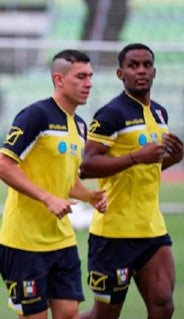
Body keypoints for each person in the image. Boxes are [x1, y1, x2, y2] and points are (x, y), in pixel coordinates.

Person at [0, 49, 107, 319]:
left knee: (68, 312)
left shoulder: (79, 125)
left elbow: (66, 180)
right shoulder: (35, 116)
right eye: (80, 76)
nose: (88, 82)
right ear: (59, 79)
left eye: (90, 76)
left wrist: (90, 197)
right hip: (24, 243)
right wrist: (47, 198)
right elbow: (2, 166)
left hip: (61, 240)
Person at [79, 43, 183, 319]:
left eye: (146, 65)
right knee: (105, 315)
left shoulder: (160, 114)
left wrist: (173, 158)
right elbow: (86, 166)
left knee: (163, 306)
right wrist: (136, 157)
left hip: (152, 229)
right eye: (133, 65)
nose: (141, 71)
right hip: (114, 233)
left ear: (154, 71)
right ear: (119, 73)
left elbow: (150, 168)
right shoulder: (111, 114)